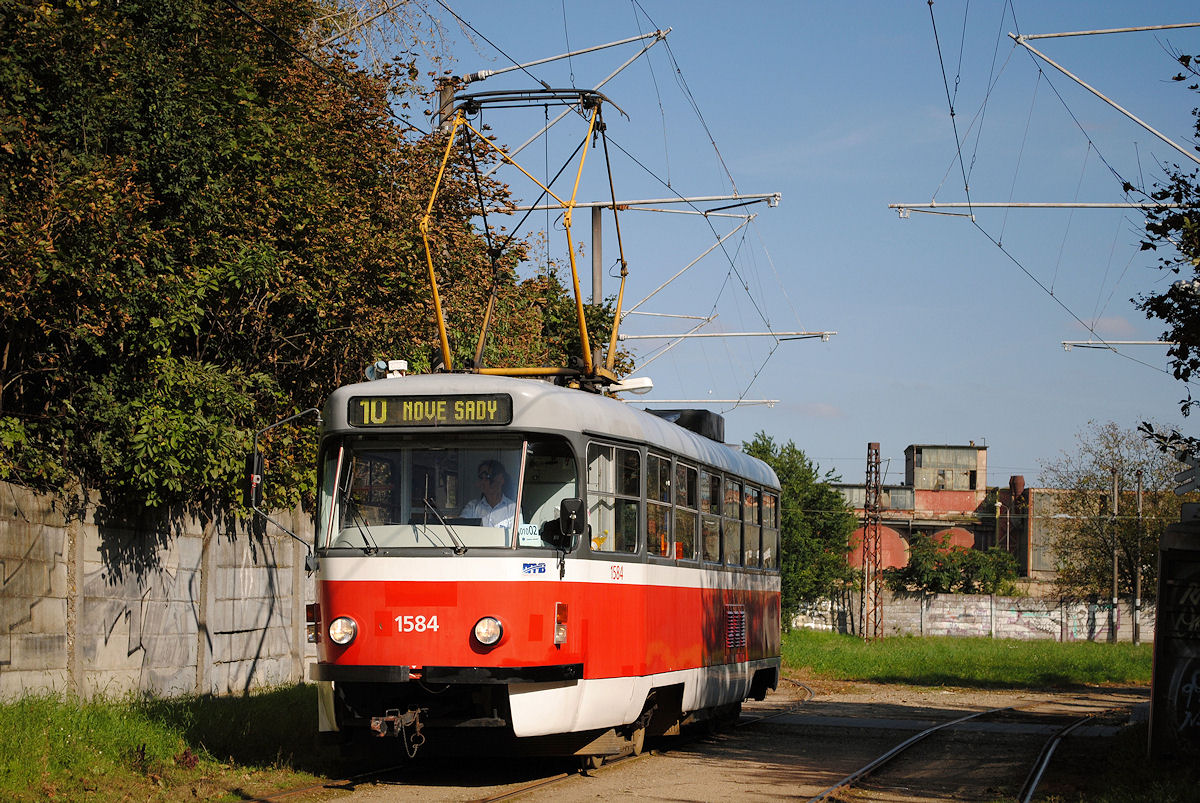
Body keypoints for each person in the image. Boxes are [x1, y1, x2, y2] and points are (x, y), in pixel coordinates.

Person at [460, 459, 516, 528]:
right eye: (481, 477)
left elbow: (518, 535)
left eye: (488, 476)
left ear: (501, 479)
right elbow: (461, 528)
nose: (483, 482)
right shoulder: (472, 507)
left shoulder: (513, 508)